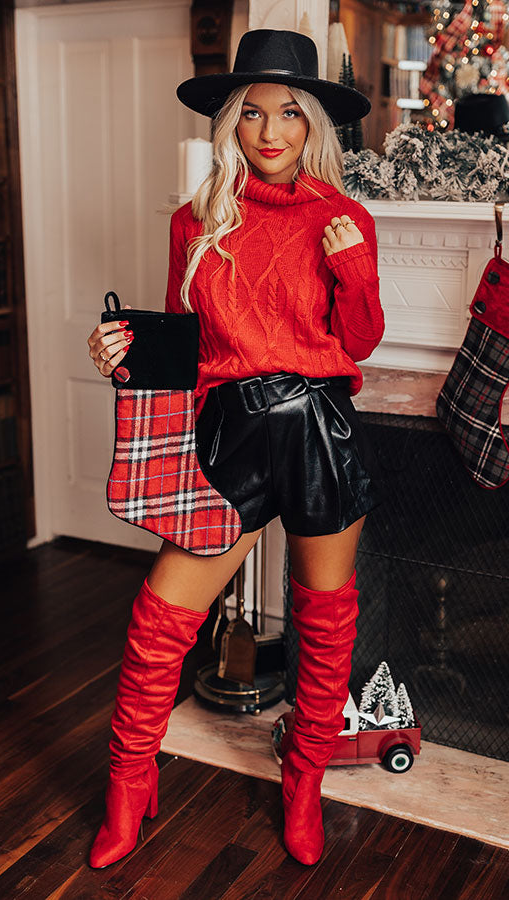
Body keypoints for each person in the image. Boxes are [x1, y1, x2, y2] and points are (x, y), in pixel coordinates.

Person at [86, 28, 384, 869]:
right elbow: (185, 348)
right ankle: (128, 783)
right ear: (231, 123)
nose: (270, 130)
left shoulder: (344, 219)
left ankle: (304, 785)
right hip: (231, 435)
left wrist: (355, 269)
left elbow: (360, 341)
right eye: (252, 112)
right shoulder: (196, 220)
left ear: (312, 122)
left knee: (325, 628)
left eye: (289, 112)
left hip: (320, 432)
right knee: (159, 623)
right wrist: (121, 353)